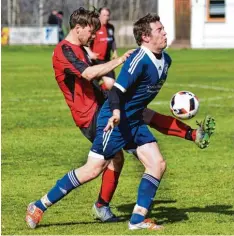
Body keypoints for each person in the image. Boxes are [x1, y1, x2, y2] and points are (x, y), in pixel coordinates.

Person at [25, 9, 215, 229]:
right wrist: (120, 64)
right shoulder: (64, 50)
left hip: (110, 109)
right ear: (78, 28)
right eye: (92, 31)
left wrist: (110, 86)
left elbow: (97, 79)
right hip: (92, 115)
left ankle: (128, 215)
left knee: (148, 152)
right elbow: (87, 74)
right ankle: (41, 205)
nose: (95, 36)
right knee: (94, 168)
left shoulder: (83, 49)